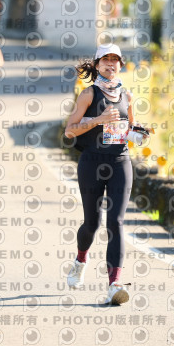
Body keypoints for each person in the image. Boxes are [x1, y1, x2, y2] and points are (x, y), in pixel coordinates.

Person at [64, 43, 148, 305]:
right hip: (91, 162)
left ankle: (114, 284)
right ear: (97, 64)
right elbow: (69, 130)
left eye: (115, 60)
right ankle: (80, 260)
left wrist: (139, 133)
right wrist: (98, 120)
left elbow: (129, 126)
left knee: (116, 222)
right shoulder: (88, 94)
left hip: (120, 161)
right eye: (105, 60)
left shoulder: (127, 95)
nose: (110, 64)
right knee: (92, 223)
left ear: (120, 65)